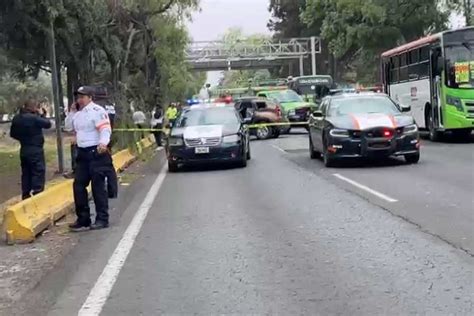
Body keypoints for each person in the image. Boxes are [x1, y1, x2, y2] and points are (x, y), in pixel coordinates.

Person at [65, 86, 114, 231]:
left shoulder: (97, 111)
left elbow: (105, 129)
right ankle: (83, 219)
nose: (79, 99)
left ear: (90, 97)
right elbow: (68, 127)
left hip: (96, 152)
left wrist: (103, 143)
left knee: (98, 187)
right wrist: (72, 111)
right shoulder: (78, 114)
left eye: (82, 96)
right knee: (78, 185)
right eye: (78, 97)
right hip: (82, 153)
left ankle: (102, 219)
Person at [10, 99, 52, 200]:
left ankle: (25, 194)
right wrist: (42, 114)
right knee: (38, 171)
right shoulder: (34, 118)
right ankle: (38, 194)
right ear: (34, 108)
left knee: (26, 172)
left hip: (24, 148)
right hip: (35, 149)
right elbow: (48, 124)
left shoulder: (16, 118)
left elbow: (12, 134)